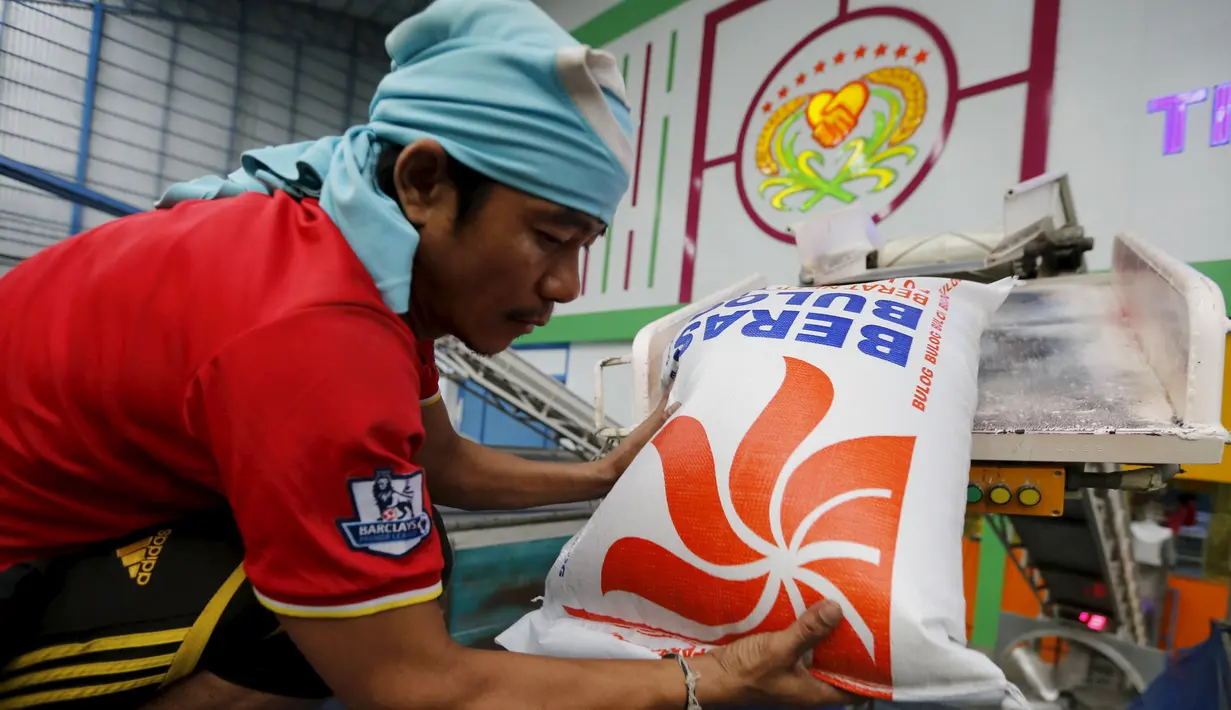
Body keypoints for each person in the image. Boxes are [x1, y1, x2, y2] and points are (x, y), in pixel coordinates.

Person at [0, 0, 858, 708]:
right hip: (17, 565)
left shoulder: (345, 243)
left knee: (399, 533)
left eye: (584, 242)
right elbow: (412, 684)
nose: (566, 285)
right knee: (319, 610)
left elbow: (436, 458)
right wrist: (710, 677)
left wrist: (598, 475)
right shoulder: (317, 336)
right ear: (423, 184)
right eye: (549, 237)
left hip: (73, 511)